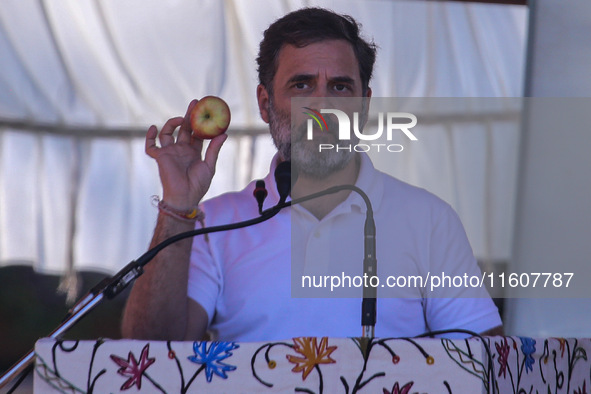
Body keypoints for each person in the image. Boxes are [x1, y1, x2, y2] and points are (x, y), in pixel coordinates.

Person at [121, 7, 503, 341]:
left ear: (364, 106)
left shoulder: (429, 220)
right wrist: (178, 204)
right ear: (265, 104)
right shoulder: (214, 223)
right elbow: (151, 350)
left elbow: (480, 363)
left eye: (340, 86)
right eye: (302, 84)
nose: (322, 104)